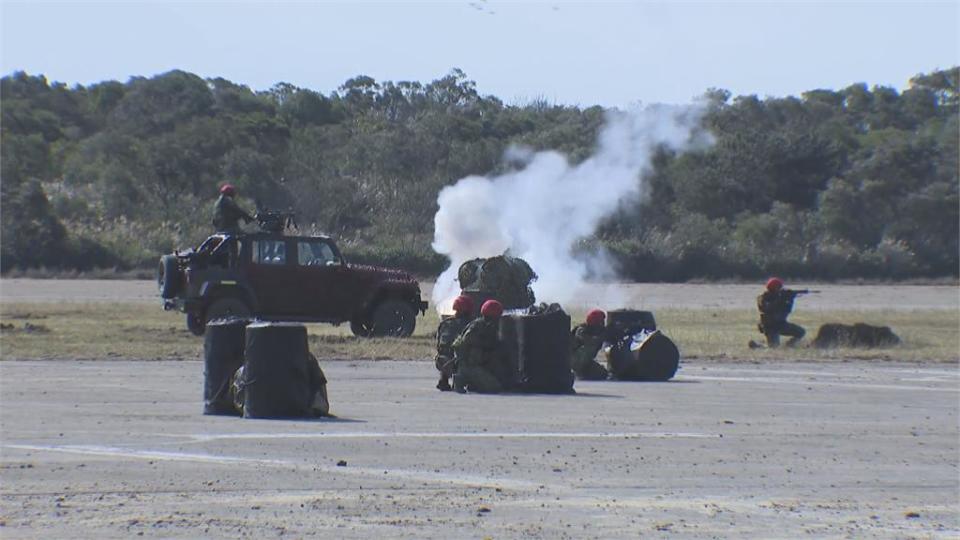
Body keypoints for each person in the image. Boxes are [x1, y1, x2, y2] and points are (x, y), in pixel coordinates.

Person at [452, 299, 505, 394]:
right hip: (470, 365)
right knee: (494, 387)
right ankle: (461, 378)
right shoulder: (478, 326)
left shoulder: (486, 325)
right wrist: (486, 344)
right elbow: (466, 340)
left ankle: (470, 381)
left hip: (476, 364)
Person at [434, 295, 474, 391]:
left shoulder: (445, 323)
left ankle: (444, 379)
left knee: (446, 356)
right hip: (460, 361)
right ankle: (461, 381)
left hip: (441, 361)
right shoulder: (470, 325)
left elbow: (438, 343)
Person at [753, 277, 807, 348]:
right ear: (773, 288)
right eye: (779, 287)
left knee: (801, 332)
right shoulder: (763, 298)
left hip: (781, 324)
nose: (780, 289)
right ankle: (757, 345)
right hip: (770, 327)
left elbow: (787, 310)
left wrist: (790, 300)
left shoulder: (781, 297)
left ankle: (789, 345)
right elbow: (767, 309)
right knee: (774, 347)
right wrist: (780, 299)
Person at [570, 309, 610, 380]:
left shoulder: (599, 331)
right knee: (591, 346)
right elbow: (590, 341)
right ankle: (578, 371)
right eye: (600, 322)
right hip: (573, 360)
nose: (602, 324)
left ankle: (581, 372)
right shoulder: (581, 330)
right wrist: (602, 336)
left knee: (602, 374)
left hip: (586, 362)